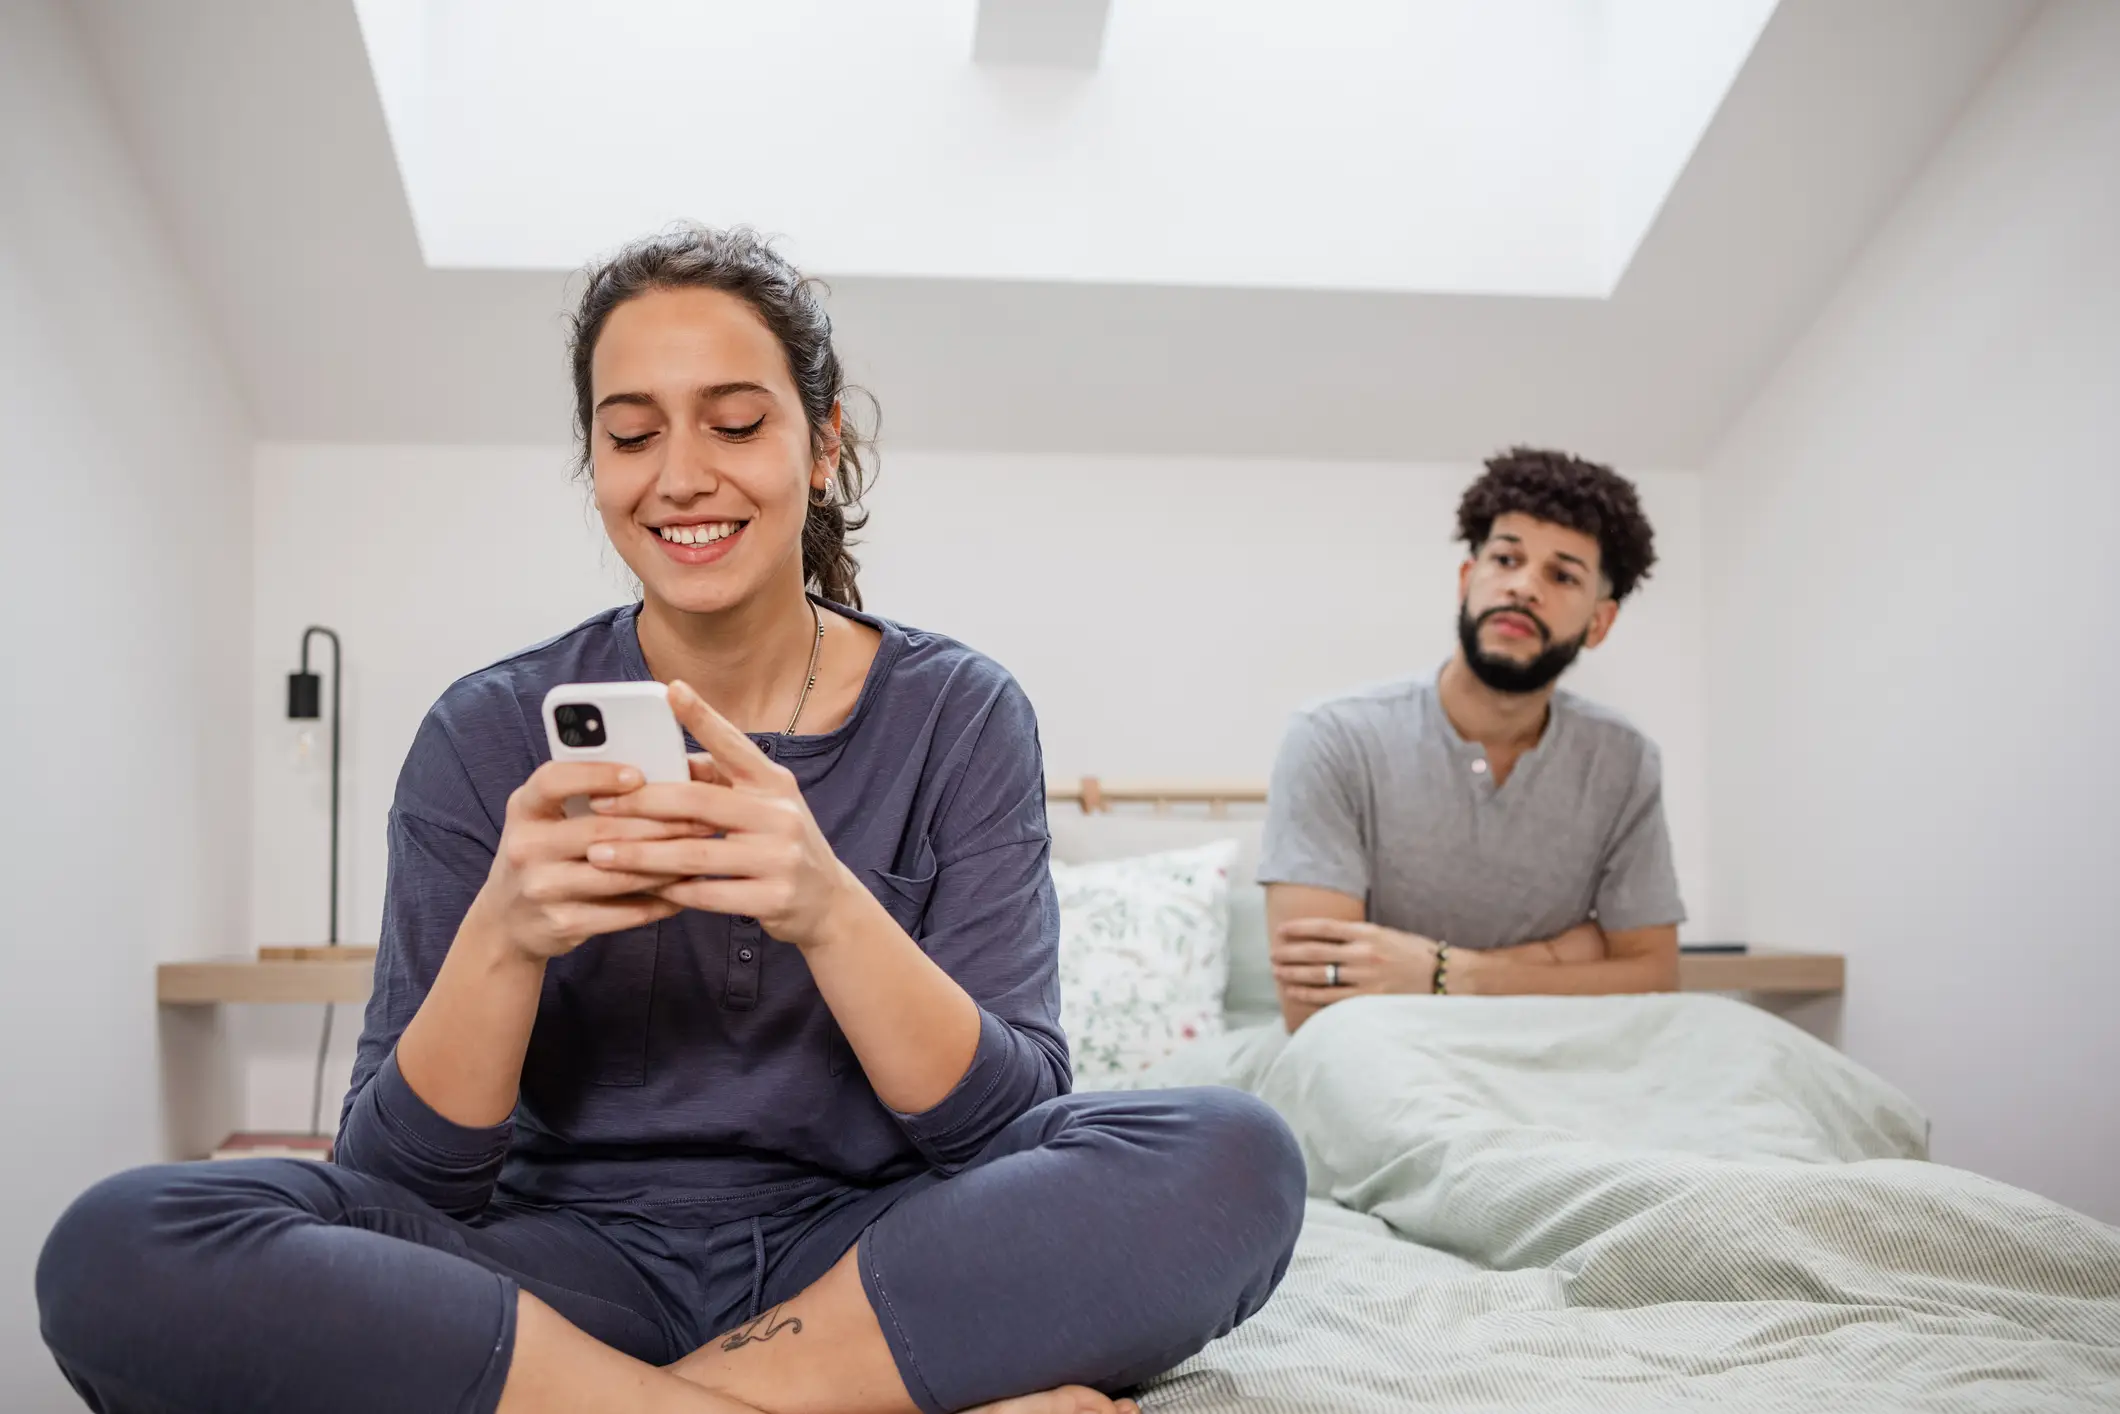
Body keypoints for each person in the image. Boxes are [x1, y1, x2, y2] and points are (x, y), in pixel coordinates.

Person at [37, 226, 1304, 1414]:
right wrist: (506, 939)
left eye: (736, 423)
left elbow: (997, 1129)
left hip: (873, 1261)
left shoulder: (958, 714)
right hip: (557, 1270)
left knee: (1233, 1155)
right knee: (121, 1247)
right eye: (630, 434)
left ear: (822, 446)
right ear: (594, 467)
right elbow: (401, 1183)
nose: (682, 476)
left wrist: (824, 904)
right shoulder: (484, 733)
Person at [1260, 448, 1685, 1033]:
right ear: (1468, 579)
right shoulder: (1334, 738)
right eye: (1506, 558)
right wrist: (1564, 958)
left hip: (1560, 1060)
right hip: (1378, 1062)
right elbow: (1314, 1008)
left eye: (1562, 575)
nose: (1523, 587)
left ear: (1599, 623)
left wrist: (1448, 973)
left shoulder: (1623, 762)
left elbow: (1654, 977)